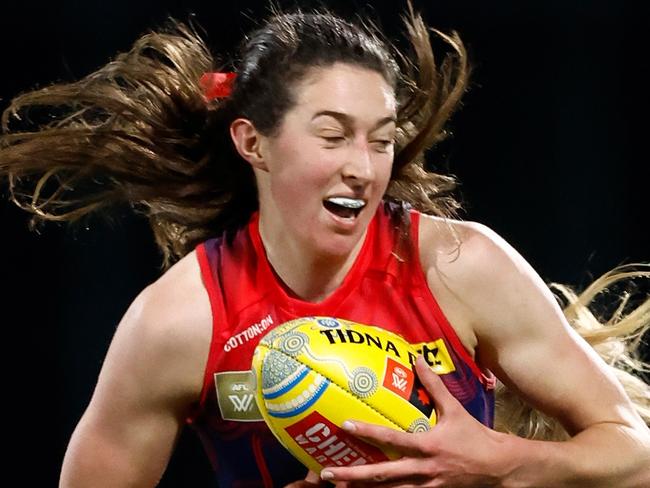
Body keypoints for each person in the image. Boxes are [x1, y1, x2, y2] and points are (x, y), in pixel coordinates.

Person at [1, 1, 649, 486]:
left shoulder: (459, 265)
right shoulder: (177, 324)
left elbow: (635, 454)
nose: (364, 167)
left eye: (381, 137)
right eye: (333, 135)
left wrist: (499, 463)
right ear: (253, 142)